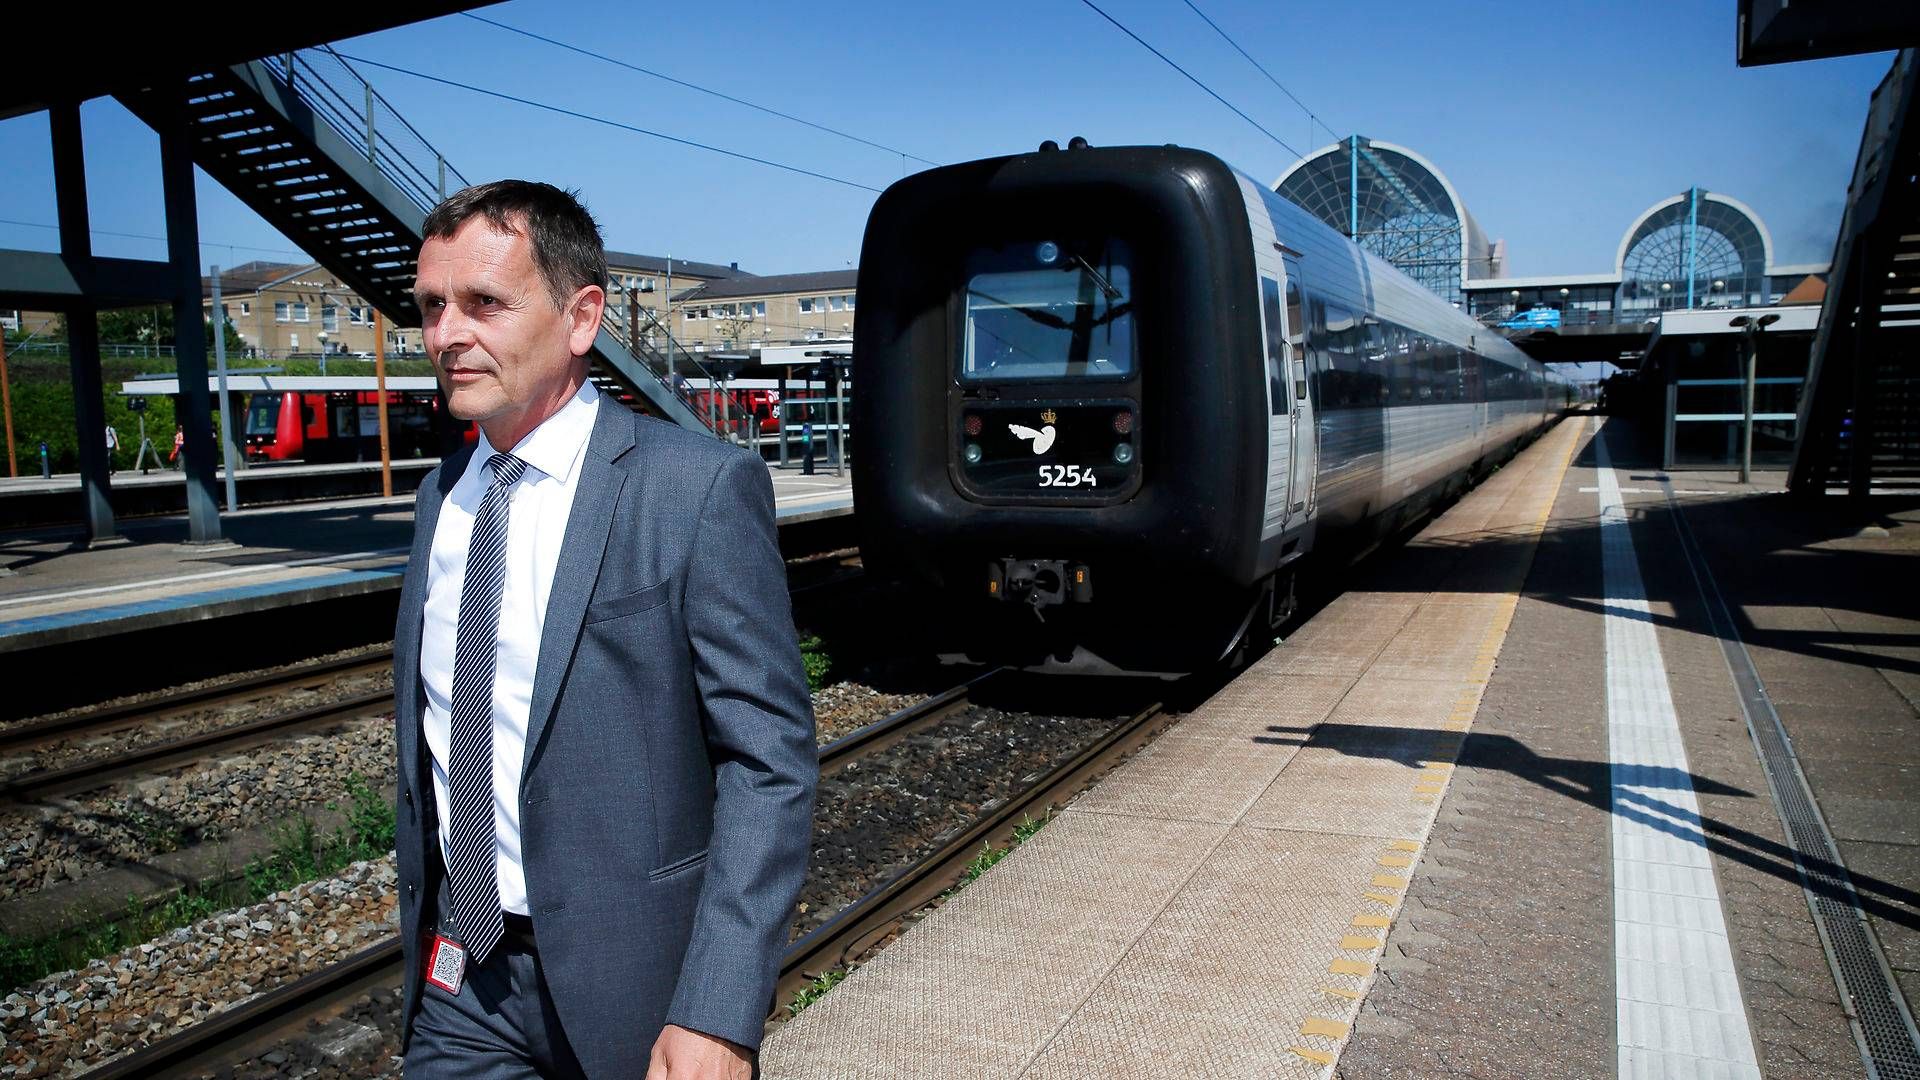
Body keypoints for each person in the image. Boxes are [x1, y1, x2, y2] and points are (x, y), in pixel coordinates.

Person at [393, 180, 816, 1080]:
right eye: (432, 306)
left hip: (638, 987)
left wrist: (718, 1009)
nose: (446, 335)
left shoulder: (693, 490)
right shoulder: (442, 498)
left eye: (484, 303)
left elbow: (769, 762)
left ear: (582, 317)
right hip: (462, 979)